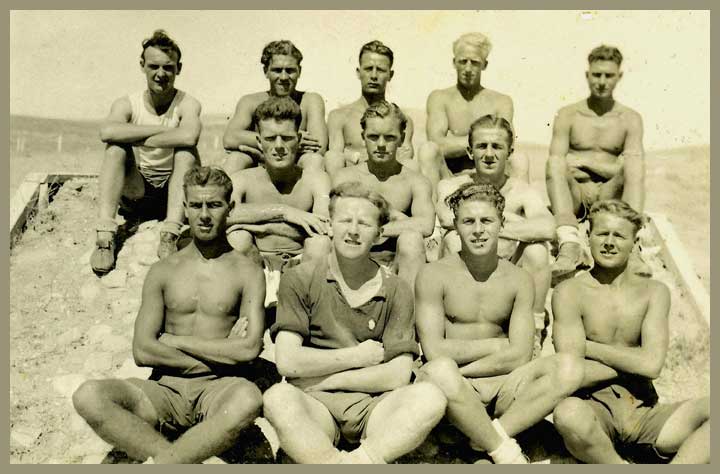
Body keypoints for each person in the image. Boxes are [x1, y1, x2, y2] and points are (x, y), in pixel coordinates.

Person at [73, 167, 272, 464]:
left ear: (230, 208)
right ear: (185, 208)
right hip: (164, 390)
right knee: (88, 396)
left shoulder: (248, 272)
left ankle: (164, 463)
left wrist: (174, 341)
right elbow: (142, 350)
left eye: (214, 205)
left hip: (219, 390)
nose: (204, 215)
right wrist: (222, 353)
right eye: (196, 205)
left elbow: (248, 349)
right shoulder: (163, 270)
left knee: (248, 399)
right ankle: (176, 460)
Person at [262, 181, 447, 464]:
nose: (353, 230)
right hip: (316, 405)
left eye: (364, 223)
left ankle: (354, 462)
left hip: (373, 404)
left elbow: (397, 374)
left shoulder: (396, 288)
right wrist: (358, 357)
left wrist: (324, 379)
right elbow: (288, 362)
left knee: (431, 397)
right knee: (277, 398)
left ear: (379, 235)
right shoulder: (299, 279)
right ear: (330, 226)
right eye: (345, 220)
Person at [415, 182, 584, 464]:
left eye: (487, 221)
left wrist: (470, 363)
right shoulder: (433, 275)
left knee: (569, 366)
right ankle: (504, 451)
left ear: (501, 225)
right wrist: (497, 346)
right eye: (468, 221)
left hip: (501, 386)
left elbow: (521, 355)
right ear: (455, 226)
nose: (478, 230)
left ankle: (488, 436)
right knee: (440, 371)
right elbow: (434, 351)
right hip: (455, 385)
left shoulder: (518, 279)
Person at [551, 199, 710, 464]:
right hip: (593, 409)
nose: (609, 242)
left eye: (619, 236)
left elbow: (652, 365)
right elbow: (571, 365)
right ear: (588, 236)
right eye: (602, 233)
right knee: (568, 414)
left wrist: (588, 347)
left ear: (634, 243)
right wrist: (637, 359)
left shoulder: (653, 292)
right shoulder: (569, 292)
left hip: (643, 411)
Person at [436, 115, 554, 354]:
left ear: (509, 152)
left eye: (497, 147)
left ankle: (533, 332)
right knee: (452, 239)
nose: (489, 154)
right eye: (482, 146)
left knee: (537, 252)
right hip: (466, 273)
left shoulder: (521, 191)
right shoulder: (451, 186)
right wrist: (511, 222)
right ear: (470, 151)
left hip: (506, 274)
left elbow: (548, 227)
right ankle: (449, 326)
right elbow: (447, 218)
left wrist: (486, 223)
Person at [91, 29, 202, 274]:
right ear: (142, 66)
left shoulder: (187, 103)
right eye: (154, 66)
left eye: (168, 67)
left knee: (186, 152)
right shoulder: (127, 103)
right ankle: (105, 236)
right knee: (115, 149)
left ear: (179, 68)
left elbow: (189, 136)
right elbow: (107, 132)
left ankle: (170, 233)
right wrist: (162, 131)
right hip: (137, 191)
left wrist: (136, 136)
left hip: (174, 194)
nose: (161, 74)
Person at [546, 45, 645, 277]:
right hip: (576, 197)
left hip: (609, 195)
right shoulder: (568, 114)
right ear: (587, 75)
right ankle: (569, 243)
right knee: (554, 163)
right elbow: (559, 163)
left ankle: (633, 247)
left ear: (619, 76)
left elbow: (629, 169)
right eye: (596, 75)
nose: (602, 82)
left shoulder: (630, 119)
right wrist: (610, 167)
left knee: (634, 164)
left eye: (608, 75)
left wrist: (584, 163)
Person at [225, 96, 332, 307]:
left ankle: (305, 309)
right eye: (270, 138)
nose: (279, 146)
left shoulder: (315, 179)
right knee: (238, 238)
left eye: (287, 138)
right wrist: (284, 212)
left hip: (302, 267)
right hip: (256, 265)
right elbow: (224, 217)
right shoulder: (242, 180)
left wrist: (256, 224)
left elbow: (324, 228)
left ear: (299, 139)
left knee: (320, 244)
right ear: (259, 142)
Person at [331, 101, 435, 288]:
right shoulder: (346, 177)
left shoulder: (415, 181)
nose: (380, 145)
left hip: (395, 261)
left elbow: (426, 224)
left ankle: (407, 306)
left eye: (389, 137)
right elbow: (331, 222)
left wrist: (374, 230)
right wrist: (395, 221)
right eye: (373, 137)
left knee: (412, 241)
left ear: (401, 139)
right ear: (363, 137)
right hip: (352, 258)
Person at [417, 32, 529, 199]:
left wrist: (459, 143)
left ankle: (518, 208)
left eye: (475, 62)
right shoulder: (440, 98)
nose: (468, 69)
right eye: (463, 61)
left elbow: (507, 144)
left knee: (520, 159)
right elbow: (437, 144)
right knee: (428, 151)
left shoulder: (501, 101)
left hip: (493, 180)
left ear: (485, 65)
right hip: (451, 179)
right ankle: (432, 212)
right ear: (454, 62)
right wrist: (482, 140)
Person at [222, 40, 327, 174]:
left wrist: (264, 144)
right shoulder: (250, 102)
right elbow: (230, 138)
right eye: (277, 70)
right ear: (266, 71)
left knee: (313, 160)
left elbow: (319, 146)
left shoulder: (310, 100)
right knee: (236, 160)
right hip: (259, 165)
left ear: (299, 71)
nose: (284, 77)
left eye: (290, 71)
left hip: (295, 166)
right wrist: (288, 141)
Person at [325, 40, 415, 176]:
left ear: (390, 75)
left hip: (390, 183)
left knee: (411, 165)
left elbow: (405, 158)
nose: (373, 76)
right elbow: (335, 156)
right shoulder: (339, 117)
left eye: (380, 70)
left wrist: (353, 155)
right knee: (332, 157)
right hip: (352, 182)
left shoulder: (402, 120)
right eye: (368, 69)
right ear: (358, 72)